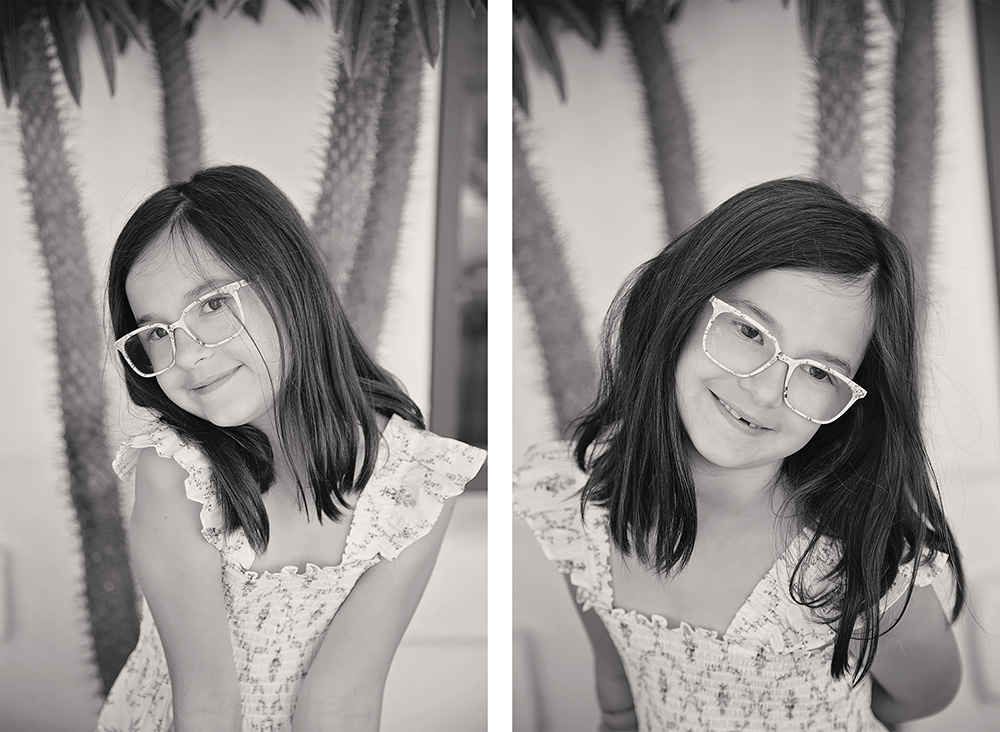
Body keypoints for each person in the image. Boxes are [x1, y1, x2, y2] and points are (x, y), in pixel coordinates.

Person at [514, 179, 965, 732]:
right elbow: (617, 694)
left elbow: (922, 697)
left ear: (850, 402)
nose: (763, 390)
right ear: (682, 308)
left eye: (820, 372)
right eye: (750, 332)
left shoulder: (852, 561)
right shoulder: (578, 500)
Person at [97, 165, 486, 731]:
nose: (184, 354)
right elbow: (206, 707)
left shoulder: (416, 485)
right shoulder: (177, 473)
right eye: (155, 332)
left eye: (210, 304)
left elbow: (342, 703)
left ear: (289, 282)